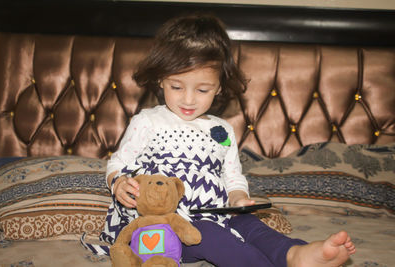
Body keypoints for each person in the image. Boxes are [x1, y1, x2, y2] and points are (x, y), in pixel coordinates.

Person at [101, 14, 356, 266]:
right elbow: (117, 164)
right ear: (161, 79)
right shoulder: (147, 121)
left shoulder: (221, 131)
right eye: (176, 87)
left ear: (220, 86)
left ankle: (296, 255)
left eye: (202, 90)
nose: (188, 99)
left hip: (216, 216)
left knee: (250, 226)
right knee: (212, 236)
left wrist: (237, 199)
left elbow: (232, 176)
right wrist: (118, 184)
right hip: (163, 228)